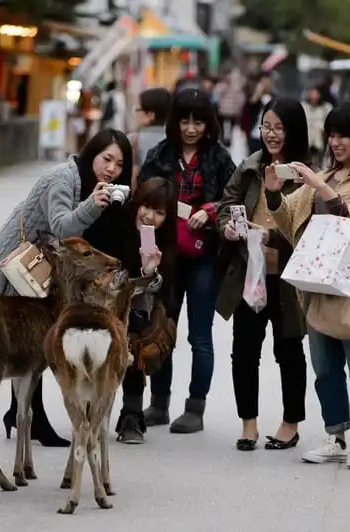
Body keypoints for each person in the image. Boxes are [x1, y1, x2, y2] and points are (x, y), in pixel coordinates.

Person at [0, 128, 134, 447]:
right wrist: (94, 205)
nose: (111, 169)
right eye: (106, 159)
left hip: (49, 263)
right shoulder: (63, 178)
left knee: (38, 334)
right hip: (23, 259)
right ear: (91, 153)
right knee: (33, 334)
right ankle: (31, 417)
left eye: (119, 165)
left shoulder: (96, 185)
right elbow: (62, 228)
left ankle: (19, 411)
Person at [264, 101, 350, 470]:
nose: (336, 142)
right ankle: (335, 435)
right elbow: (289, 220)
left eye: (343, 135)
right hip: (317, 285)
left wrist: (319, 184)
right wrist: (274, 192)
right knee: (324, 367)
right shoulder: (327, 175)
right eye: (332, 135)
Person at [138, 89, 237, 433]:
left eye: (198, 121)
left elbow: (235, 200)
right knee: (162, 328)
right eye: (184, 120)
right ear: (174, 122)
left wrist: (209, 211)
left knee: (200, 336)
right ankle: (159, 403)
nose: (191, 128)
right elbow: (143, 201)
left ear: (209, 123)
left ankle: (195, 408)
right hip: (164, 258)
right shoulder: (159, 155)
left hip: (204, 258)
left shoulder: (220, 158)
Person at [216, 97, 310, 451]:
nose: (271, 134)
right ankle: (248, 423)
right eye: (266, 126)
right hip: (250, 271)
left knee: (288, 349)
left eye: (279, 127)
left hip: (287, 278)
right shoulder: (250, 166)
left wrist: (274, 237)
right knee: (244, 350)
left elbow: (309, 225)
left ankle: (290, 423)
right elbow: (227, 204)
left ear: (294, 130)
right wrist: (227, 227)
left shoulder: (305, 173)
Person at [113, 177, 178, 444]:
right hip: (104, 298)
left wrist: (148, 273)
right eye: (146, 207)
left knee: (138, 329)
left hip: (136, 306)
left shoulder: (164, 243)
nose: (150, 217)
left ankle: (132, 414)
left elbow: (163, 291)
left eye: (160, 213)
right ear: (137, 203)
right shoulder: (116, 223)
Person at [129, 87, 173, 187]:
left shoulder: (133, 140)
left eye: (137, 109)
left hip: (143, 196)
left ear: (150, 115)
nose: (135, 113)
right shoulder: (177, 140)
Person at [302, 86, 332, 166]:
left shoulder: (326, 107)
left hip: (321, 140)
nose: (314, 96)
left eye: (316, 94)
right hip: (307, 140)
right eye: (312, 94)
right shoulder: (303, 106)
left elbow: (330, 122)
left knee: (320, 163)